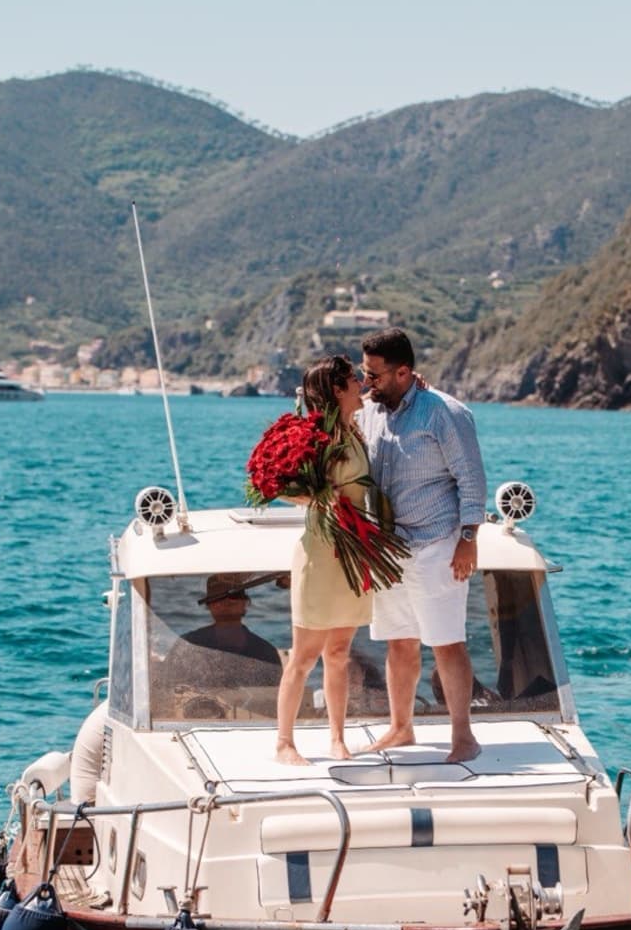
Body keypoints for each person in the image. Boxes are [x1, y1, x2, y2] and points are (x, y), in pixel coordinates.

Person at [359, 327, 487, 763]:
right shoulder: (370, 411)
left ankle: (463, 737)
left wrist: (468, 539)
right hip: (389, 550)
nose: (367, 384)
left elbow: (471, 479)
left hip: (437, 543)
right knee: (399, 640)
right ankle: (401, 728)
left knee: (447, 642)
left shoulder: (444, 413)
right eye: (364, 374)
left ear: (403, 372)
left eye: (374, 376)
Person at [275, 354, 377, 764]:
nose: (361, 383)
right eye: (354, 379)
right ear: (337, 389)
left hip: (353, 552)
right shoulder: (315, 435)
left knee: (339, 653)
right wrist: (319, 497)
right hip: (322, 552)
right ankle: (284, 742)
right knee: (303, 656)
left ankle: (337, 738)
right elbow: (279, 485)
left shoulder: (353, 430)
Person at [157, 574, 283, 716]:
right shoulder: (186, 647)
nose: (227, 601)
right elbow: (166, 695)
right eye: (218, 597)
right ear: (210, 605)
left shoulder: (266, 652)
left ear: (245, 602)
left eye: (235, 595)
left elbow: (277, 700)